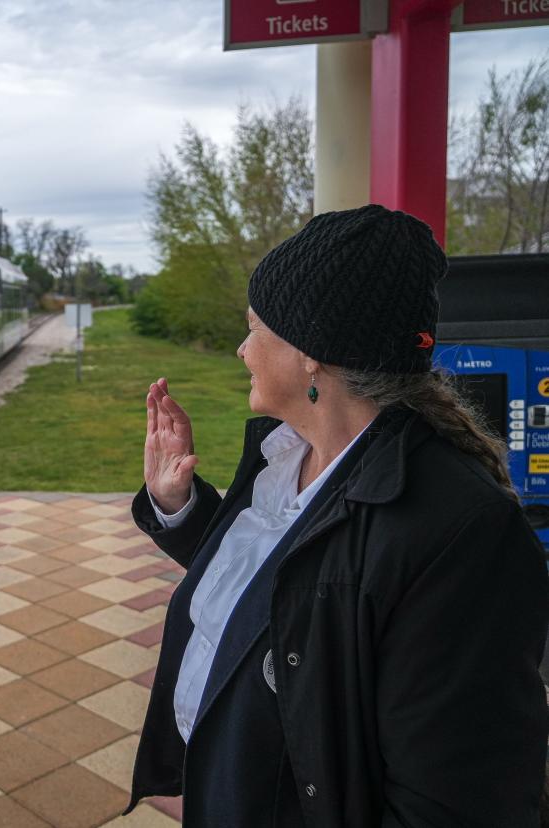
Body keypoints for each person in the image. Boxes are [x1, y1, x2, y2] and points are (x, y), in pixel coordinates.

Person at [123, 204, 548, 827]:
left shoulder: (461, 532)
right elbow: (295, 585)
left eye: (253, 328)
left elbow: (457, 800)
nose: (242, 349)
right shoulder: (285, 451)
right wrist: (178, 504)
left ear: (310, 354)